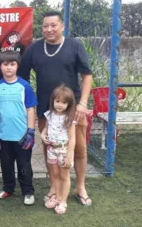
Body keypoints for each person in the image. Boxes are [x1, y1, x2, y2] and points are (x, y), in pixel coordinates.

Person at [18, 11, 93, 206]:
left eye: (53, 25)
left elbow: (87, 75)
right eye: (45, 26)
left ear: (62, 26)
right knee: (49, 146)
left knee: (78, 147)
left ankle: (80, 187)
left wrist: (83, 103)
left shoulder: (74, 45)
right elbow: (22, 79)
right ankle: (54, 186)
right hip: (45, 108)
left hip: (73, 108)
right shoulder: (34, 48)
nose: (49, 29)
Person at [0, 51, 37, 205]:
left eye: (12, 64)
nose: (9, 68)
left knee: (24, 166)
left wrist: (30, 131)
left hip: (22, 136)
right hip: (3, 135)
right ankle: (8, 188)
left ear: (17, 66)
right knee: (6, 164)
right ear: (0, 66)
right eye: (5, 64)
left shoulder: (24, 86)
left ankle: (28, 191)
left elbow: (31, 109)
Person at [40, 85, 76, 214]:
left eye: (64, 102)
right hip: (51, 149)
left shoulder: (69, 118)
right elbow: (46, 128)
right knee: (54, 174)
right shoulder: (49, 114)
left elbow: (72, 138)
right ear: (53, 101)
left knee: (64, 175)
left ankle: (63, 200)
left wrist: (69, 154)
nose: (60, 105)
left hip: (63, 150)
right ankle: (56, 195)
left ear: (69, 104)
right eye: (57, 101)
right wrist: (43, 135)